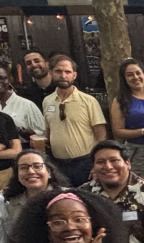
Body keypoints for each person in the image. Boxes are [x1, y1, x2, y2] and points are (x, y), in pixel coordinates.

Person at [41, 54, 107, 186]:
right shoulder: (47, 101)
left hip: (84, 164)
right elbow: (48, 132)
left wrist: (97, 164)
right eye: (58, 71)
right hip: (57, 164)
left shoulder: (88, 101)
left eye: (67, 72)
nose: (63, 76)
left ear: (74, 75)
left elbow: (101, 135)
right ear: (50, 73)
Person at [3, 148, 70, 230]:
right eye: (23, 168)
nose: (31, 171)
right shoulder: (12, 204)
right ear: (17, 175)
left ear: (49, 172)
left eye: (37, 166)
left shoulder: (67, 197)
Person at [0, 64, 45, 142]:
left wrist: (22, 131)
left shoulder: (26, 105)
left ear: (10, 80)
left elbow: (42, 133)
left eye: (2, 78)